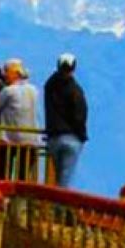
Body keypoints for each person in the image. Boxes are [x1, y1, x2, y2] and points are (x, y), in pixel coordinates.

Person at [0, 58, 42, 182]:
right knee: (23, 177)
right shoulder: (34, 90)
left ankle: (5, 200)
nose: (4, 75)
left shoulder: (8, 91)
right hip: (31, 139)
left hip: (9, 139)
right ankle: (20, 200)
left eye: (6, 72)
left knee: (3, 174)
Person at [44, 52, 88, 187]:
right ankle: (59, 207)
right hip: (71, 138)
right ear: (73, 68)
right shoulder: (75, 90)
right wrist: (81, 136)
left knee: (59, 175)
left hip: (53, 138)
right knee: (66, 178)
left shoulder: (49, 87)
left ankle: (56, 204)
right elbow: (79, 115)